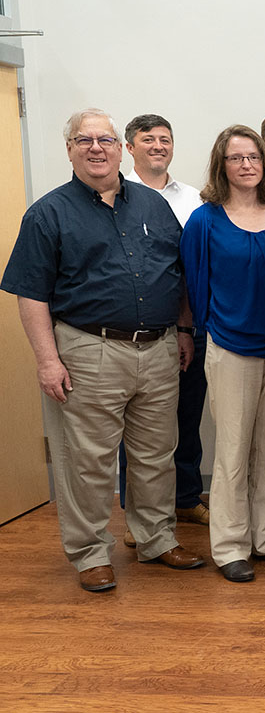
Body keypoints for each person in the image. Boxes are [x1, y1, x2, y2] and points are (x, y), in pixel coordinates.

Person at [1, 109, 205, 591]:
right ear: (69, 149)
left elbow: (175, 275)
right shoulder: (48, 213)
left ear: (120, 148)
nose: (96, 148)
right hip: (88, 349)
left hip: (157, 349)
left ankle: (156, 538)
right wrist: (48, 360)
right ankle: (90, 552)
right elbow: (31, 293)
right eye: (83, 140)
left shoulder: (153, 206)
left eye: (105, 140)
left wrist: (181, 329)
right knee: (86, 460)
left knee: (156, 453)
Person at [181, 125, 265, 583]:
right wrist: (189, 333)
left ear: (264, 163)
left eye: (253, 156)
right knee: (232, 452)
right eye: (236, 158)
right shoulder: (205, 220)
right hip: (230, 348)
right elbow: (191, 285)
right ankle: (230, 546)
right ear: (222, 165)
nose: (247, 164)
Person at [118, 114, 209, 536]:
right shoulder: (112, 196)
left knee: (186, 417)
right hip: (135, 332)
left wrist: (186, 328)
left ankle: (187, 498)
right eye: (148, 139)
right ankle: (141, 517)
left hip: (186, 326)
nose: (158, 145)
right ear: (129, 146)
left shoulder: (193, 199)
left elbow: (192, 269)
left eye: (165, 139)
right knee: (138, 430)